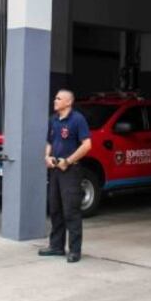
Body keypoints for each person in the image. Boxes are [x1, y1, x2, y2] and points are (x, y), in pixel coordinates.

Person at [38, 89, 92, 263]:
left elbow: (87, 145)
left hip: (71, 171)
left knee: (71, 210)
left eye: (58, 98)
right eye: (55, 98)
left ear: (68, 102)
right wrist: (47, 156)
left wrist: (68, 161)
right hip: (54, 170)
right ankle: (56, 246)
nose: (55, 100)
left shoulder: (78, 119)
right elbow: (49, 142)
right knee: (55, 208)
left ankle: (75, 250)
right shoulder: (53, 120)